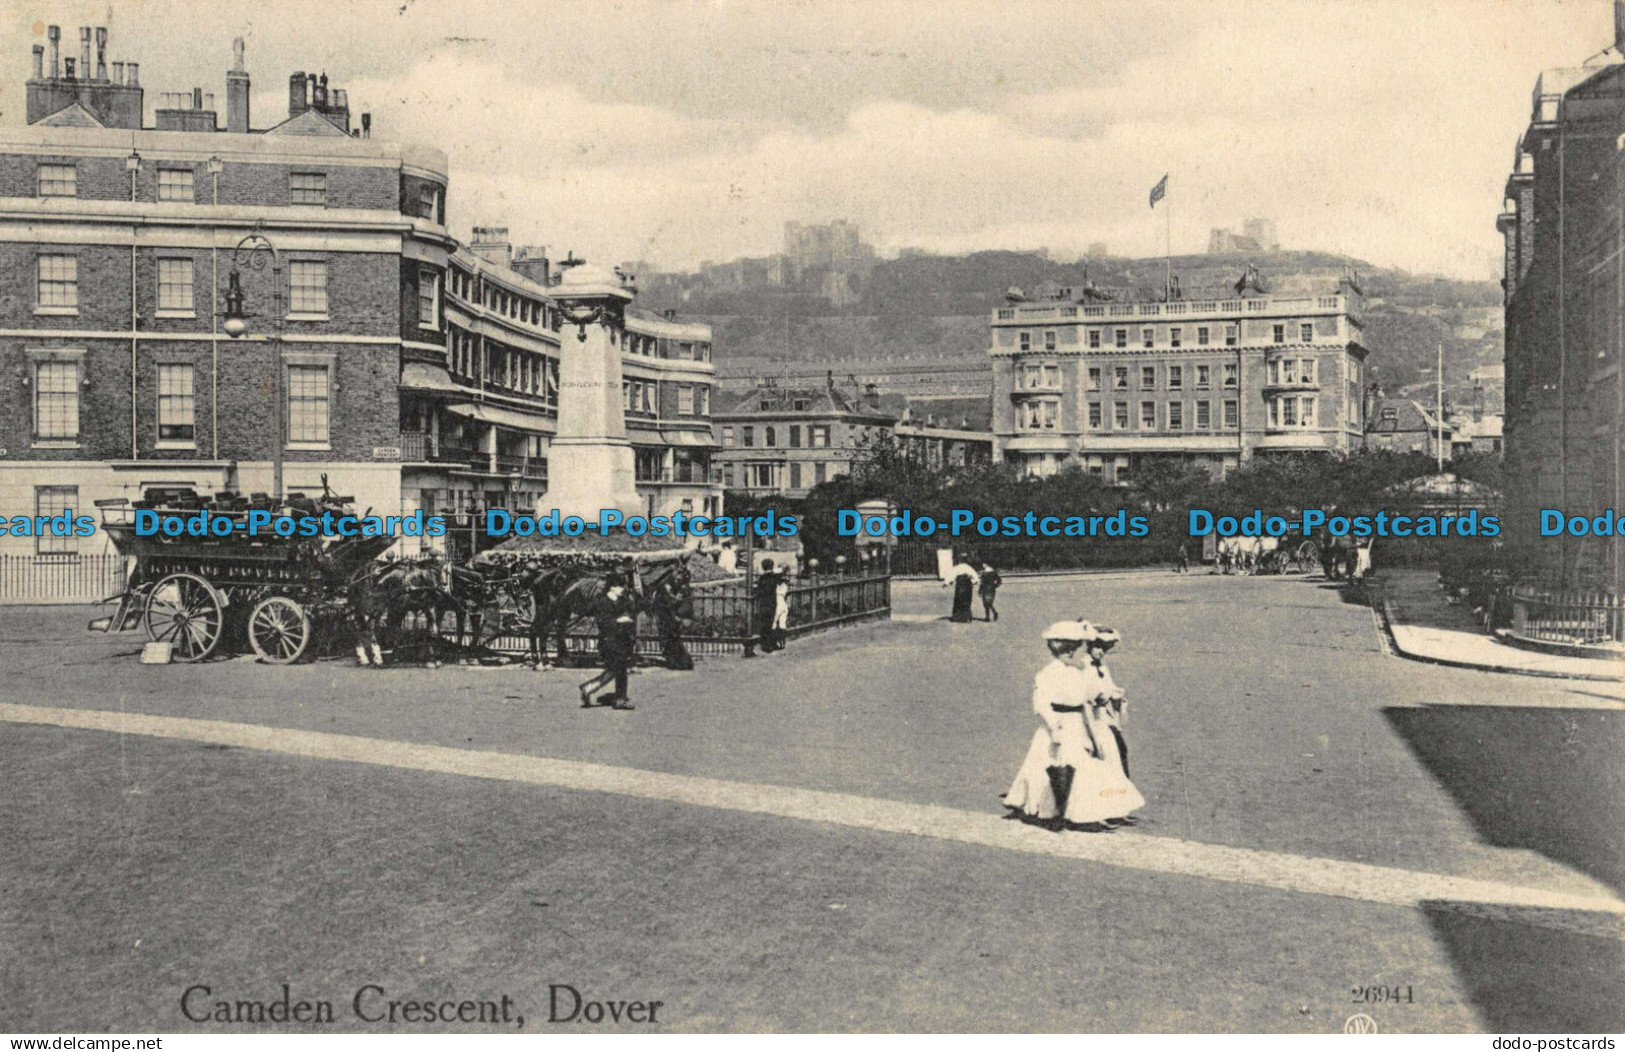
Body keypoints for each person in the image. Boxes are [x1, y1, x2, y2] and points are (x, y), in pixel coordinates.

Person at [1003, 620, 1143, 831]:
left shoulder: (1077, 672)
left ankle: (1087, 814)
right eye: (1067, 649)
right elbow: (1041, 704)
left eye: (1074, 648)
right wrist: (1055, 728)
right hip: (1058, 727)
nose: (1071, 653)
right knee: (1062, 769)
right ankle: (1072, 815)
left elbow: (1088, 699)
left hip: (1077, 725)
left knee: (1083, 768)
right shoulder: (1048, 673)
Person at [578, 570, 640, 710]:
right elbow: (603, 622)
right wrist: (620, 620)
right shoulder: (603, 601)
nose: (622, 589)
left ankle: (588, 688)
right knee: (620, 669)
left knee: (614, 670)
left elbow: (632, 610)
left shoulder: (621, 601)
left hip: (620, 641)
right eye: (619, 586)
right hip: (609, 642)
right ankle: (620, 699)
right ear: (612, 587)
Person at [754, 558, 783, 653]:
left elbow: (760, 591)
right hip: (773, 603)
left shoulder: (763, 578)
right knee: (773, 623)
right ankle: (773, 643)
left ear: (763, 567)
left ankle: (766, 645)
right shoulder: (774, 577)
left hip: (764, 603)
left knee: (764, 624)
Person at [944, 553, 979, 622]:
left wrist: (946, 583)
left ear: (960, 560)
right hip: (967, 586)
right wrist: (972, 582)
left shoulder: (957, 568)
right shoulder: (969, 568)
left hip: (960, 585)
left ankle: (957, 617)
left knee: (958, 601)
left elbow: (951, 575)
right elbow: (976, 577)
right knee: (967, 601)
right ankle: (967, 618)